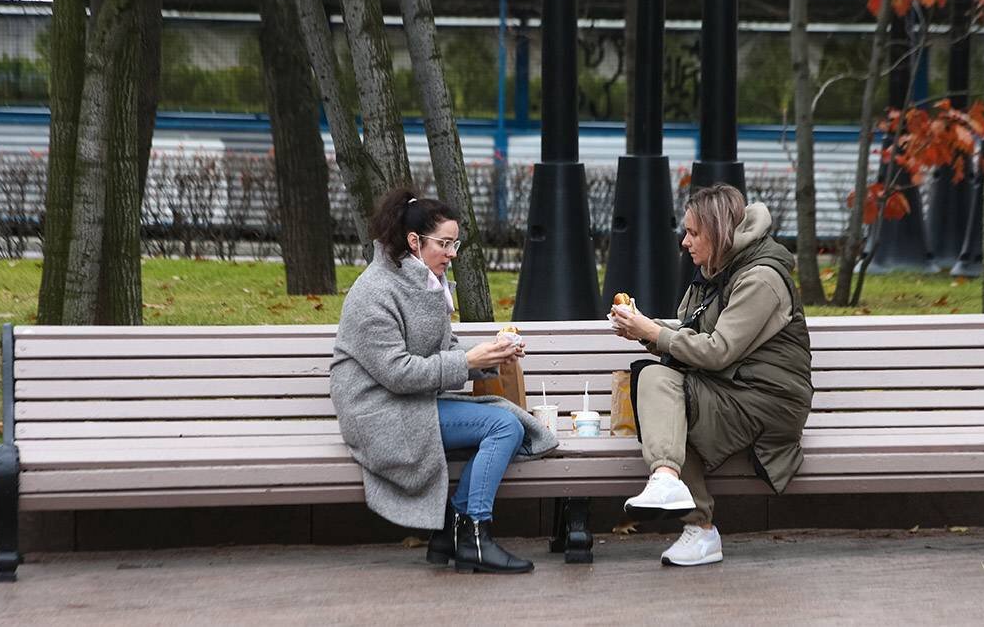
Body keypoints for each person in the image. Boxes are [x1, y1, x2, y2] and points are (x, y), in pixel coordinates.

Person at [331, 187, 557, 574]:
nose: (452, 254)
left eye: (456, 244)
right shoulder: (373, 292)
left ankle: (453, 533)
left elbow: (445, 347)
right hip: (378, 414)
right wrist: (468, 360)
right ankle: (471, 535)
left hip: (409, 405)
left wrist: (491, 356)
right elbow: (398, 373)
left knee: (505, 423)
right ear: (414, 241)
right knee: (503, 425)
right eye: (445, 244)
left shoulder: (424, 281)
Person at [610, 184, 813, 567]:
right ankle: (680, 500)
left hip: (768, 402)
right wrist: (645, 331)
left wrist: (653, 333)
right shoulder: (716, 271)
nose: (685, 242)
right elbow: (695, 338)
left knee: (669, 396)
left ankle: (694, 521)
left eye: (693, 233)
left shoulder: (761, 278)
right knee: (658, 384)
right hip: (734, 389)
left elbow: (719, 351)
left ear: (719, 232)